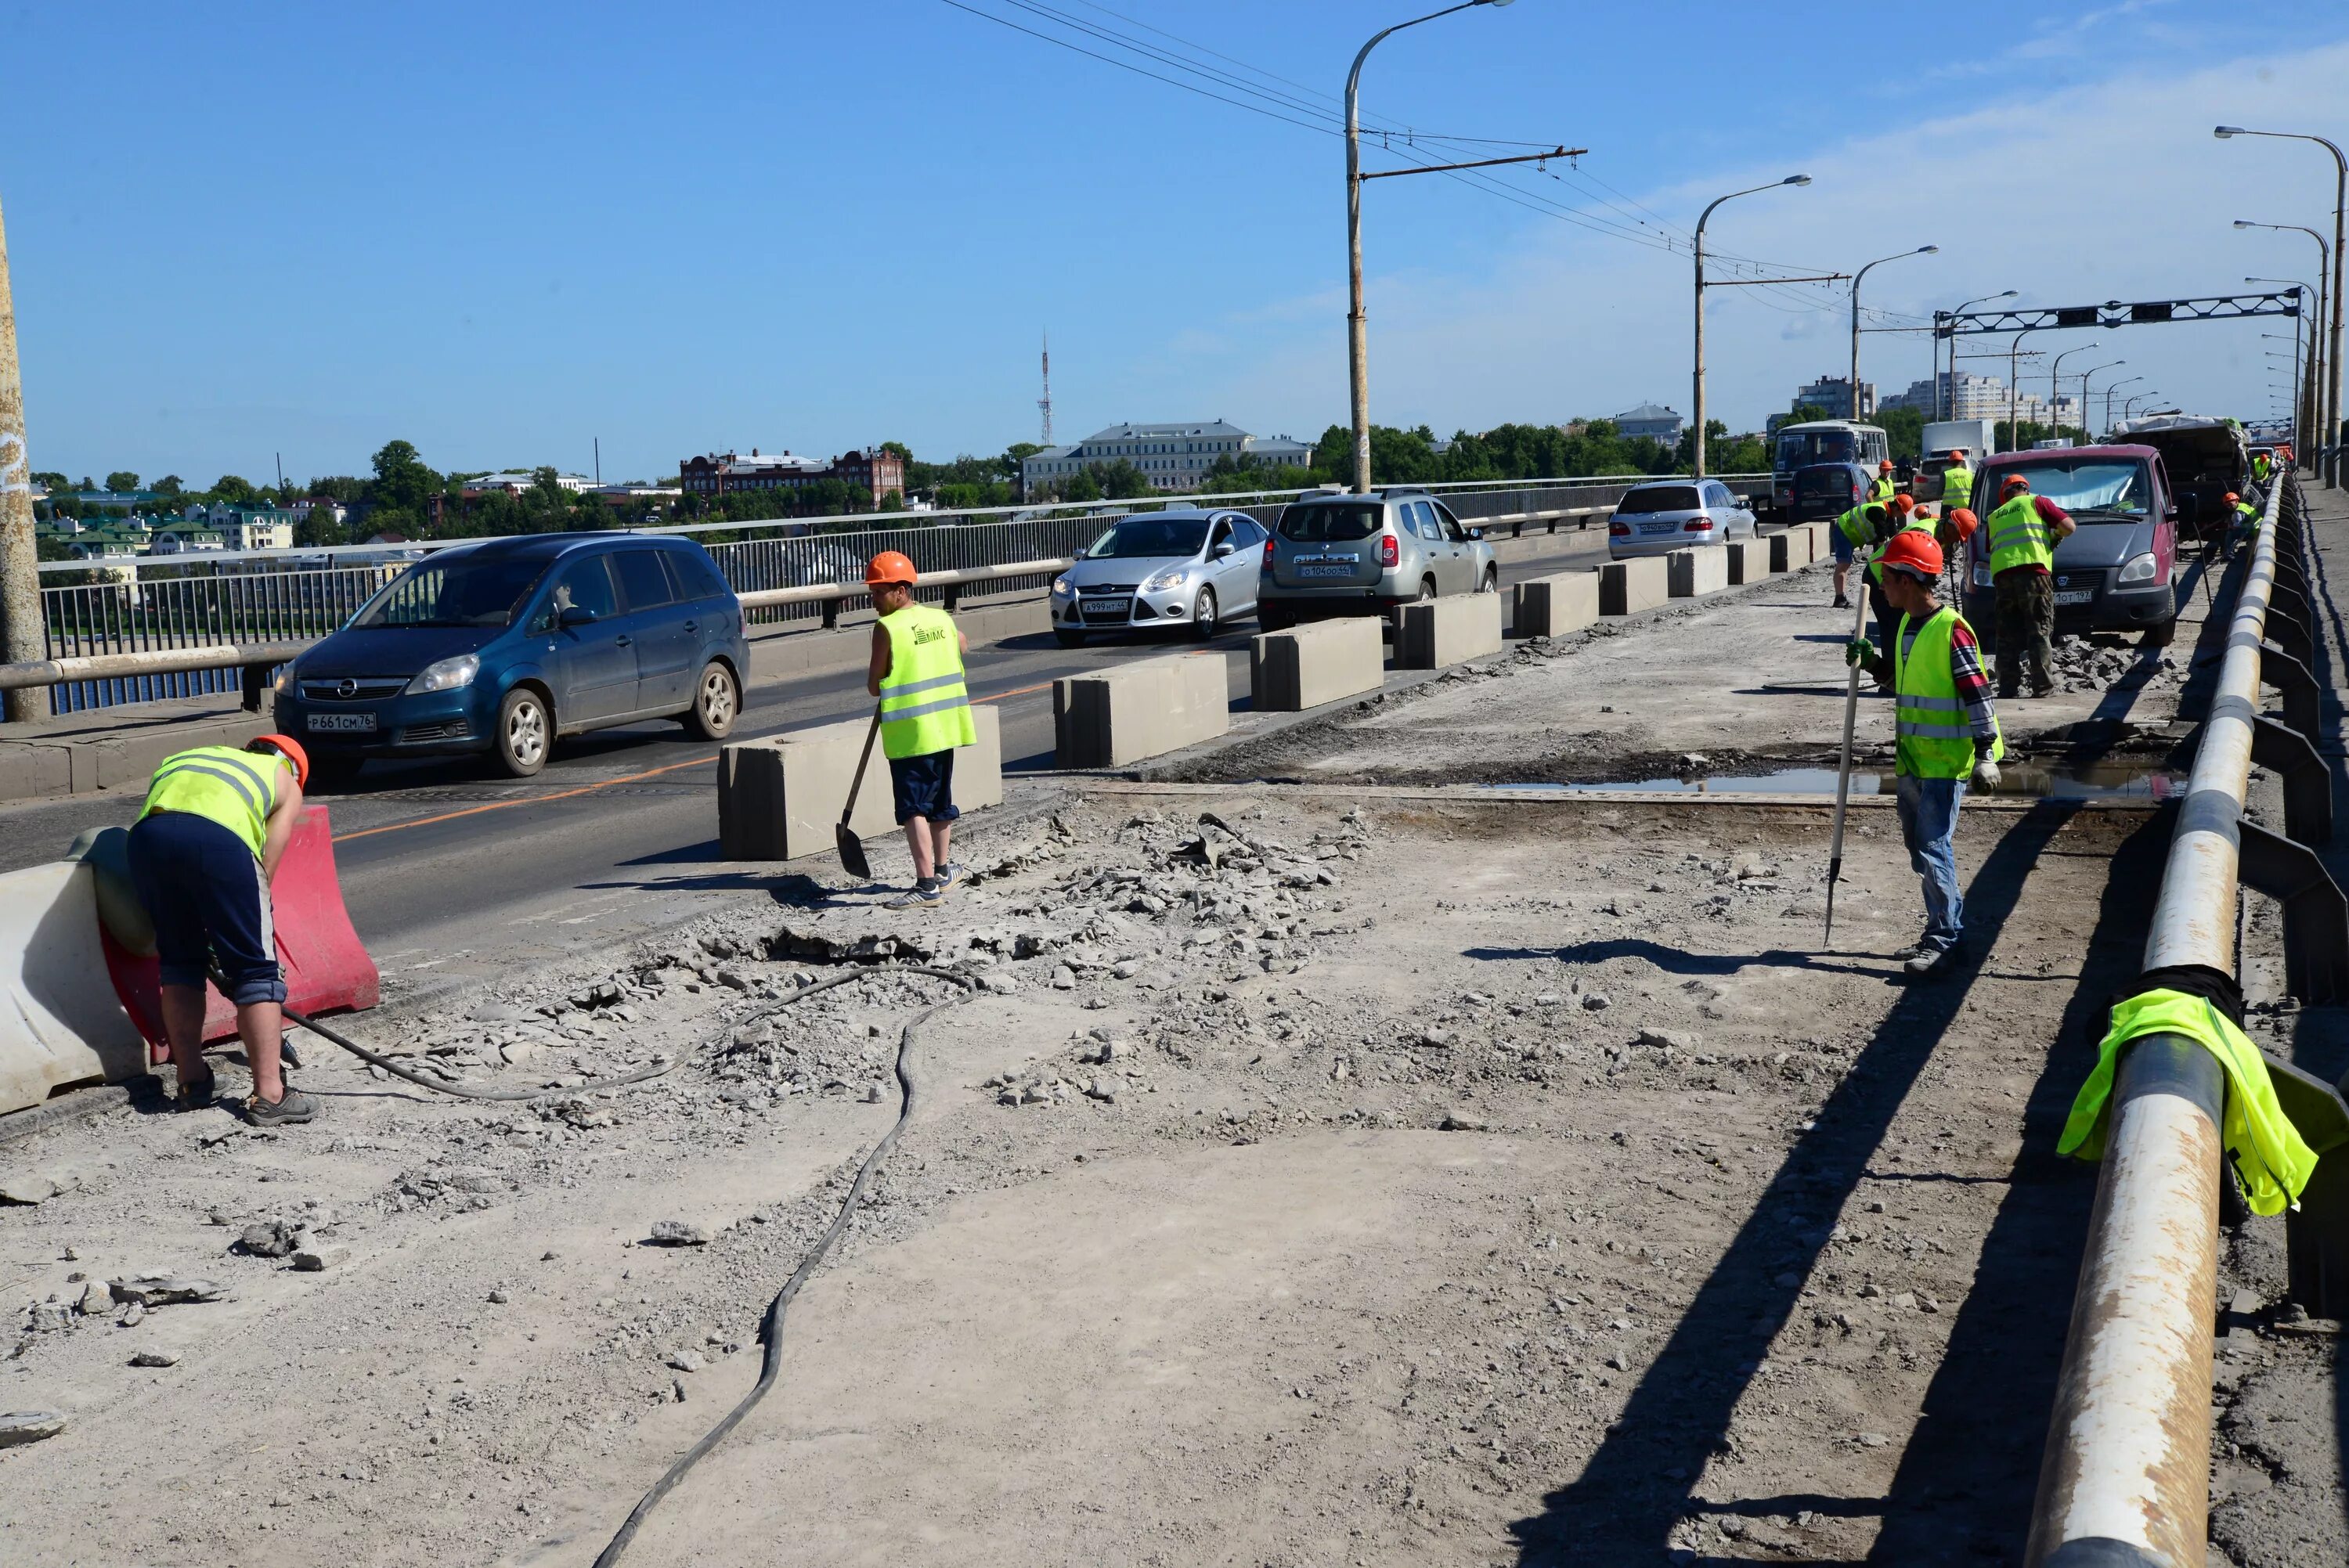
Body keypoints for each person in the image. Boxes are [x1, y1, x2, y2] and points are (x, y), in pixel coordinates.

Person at [127, 734, 316, 1123]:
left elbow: (177, 823)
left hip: (147, 840)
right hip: (219, 842)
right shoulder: (282, 777)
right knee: (256, 969)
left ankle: (191, 1083)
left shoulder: (190, 754)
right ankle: (271, 1094)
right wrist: (234, 937)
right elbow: (266, 865)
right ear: (295, 770)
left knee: (180, 962)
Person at [1844, 530, 2003, 979]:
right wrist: (1873, 664)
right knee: (1920, 850)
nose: (1881, 586)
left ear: (1908, 581)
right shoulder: (1908, 628)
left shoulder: (1950, 630)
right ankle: (1940, 926)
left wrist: (1986, 752)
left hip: (1947, 762)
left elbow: (1977, 693)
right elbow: (1906, 686)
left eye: (1887, 578)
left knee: (1934, 847)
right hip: (1914, 760)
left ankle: (1946, 941)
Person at [865, 550, 975, 910]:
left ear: (900, 590)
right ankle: (943, 871)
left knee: (914, 807)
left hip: (912, 735)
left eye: (878, 592)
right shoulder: (941, 619)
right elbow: (962, 643)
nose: (873, 599)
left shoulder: (887, 629)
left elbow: (873, 684)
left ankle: (926, 884)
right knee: (941, 801)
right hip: (945, 728)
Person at [1981, 473, 2074, 698]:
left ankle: (2007, 688)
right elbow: (2069, 526)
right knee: (2039, 630)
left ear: (2005, 496)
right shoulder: (2037, 502)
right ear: (2025, 489)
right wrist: (2054, 538)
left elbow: (1990, 549)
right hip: (2033, 574)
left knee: (2006, 634)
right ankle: (2042, 688)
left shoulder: (1994, 516)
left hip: (2003, 578)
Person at [1832, 496, 1892, 611]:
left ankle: (1841, 597)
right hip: (1844, 530)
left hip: (1849, 532)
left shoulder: (1885, 511)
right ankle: (1839, 598)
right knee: (1843, 565)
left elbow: (1889, 534)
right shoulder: (1879, 511)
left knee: (1845, 566)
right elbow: (1881, 538)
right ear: (1897, 509)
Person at [1939, 449, 1974, 518]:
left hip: (1949, 511)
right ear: (1961, 461)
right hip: (1967, 509)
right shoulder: (1970, 474)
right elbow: (1975, 492)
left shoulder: (1946, 474)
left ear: (1950, 462)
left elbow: (1939, 493)